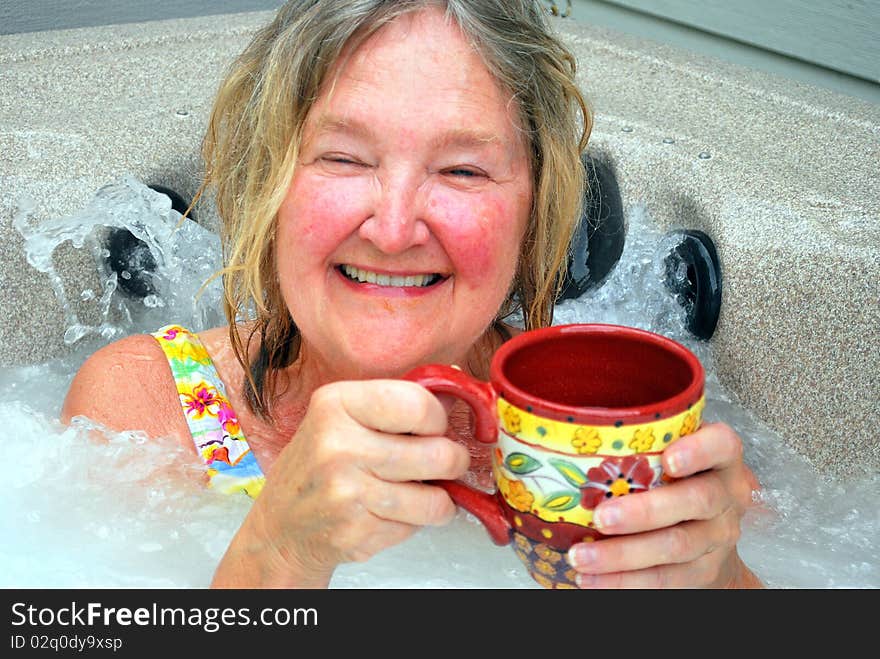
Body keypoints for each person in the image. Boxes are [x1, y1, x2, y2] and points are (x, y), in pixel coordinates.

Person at [61, 0, 762, 589]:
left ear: (536, 211)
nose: (394, 231)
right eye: (343, 158)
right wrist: (277, 550)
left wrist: (720, 584)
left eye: (461, 170)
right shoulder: (143, 412)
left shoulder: (637, 453)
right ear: (269, 185)